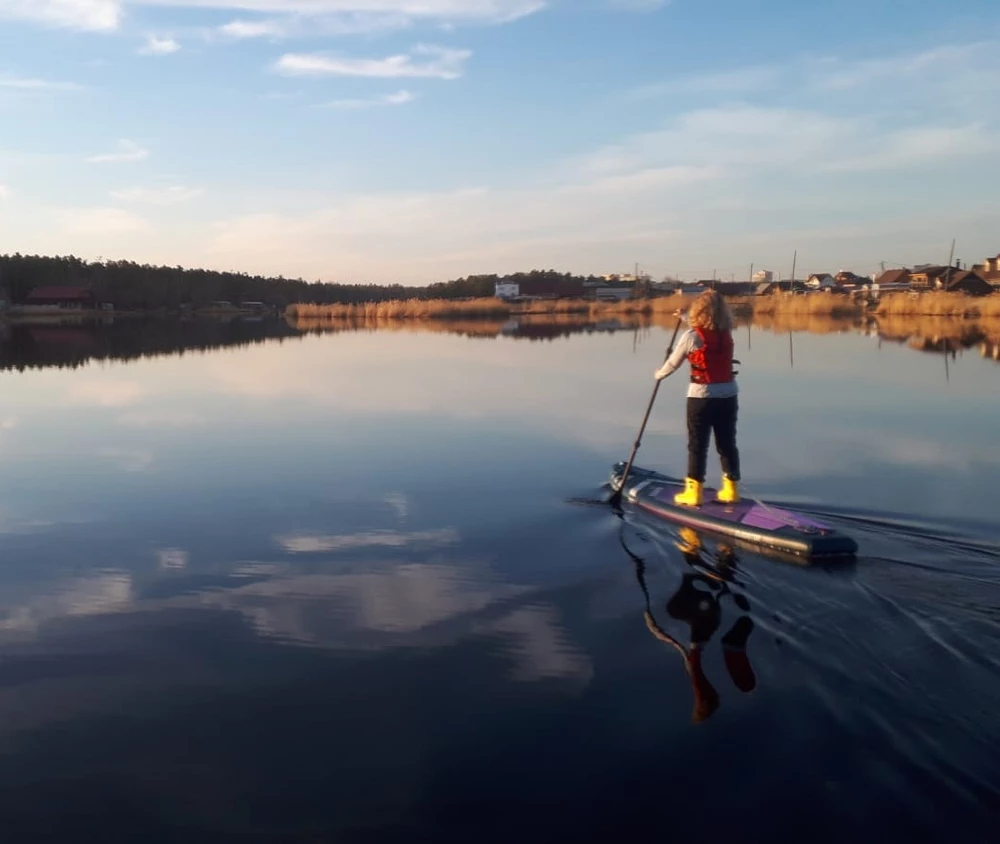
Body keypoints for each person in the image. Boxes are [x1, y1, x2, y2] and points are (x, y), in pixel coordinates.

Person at [654, 289, 740, 507]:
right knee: (727, 443)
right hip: (729, 395)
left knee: (697, 445)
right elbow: (702, 333)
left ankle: (694, 493)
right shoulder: (726, 333)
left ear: (699, 311)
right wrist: (683, 318)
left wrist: (659, 374)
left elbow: (673, 363)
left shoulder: (691, 337)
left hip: (701, 397)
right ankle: (731, 490)